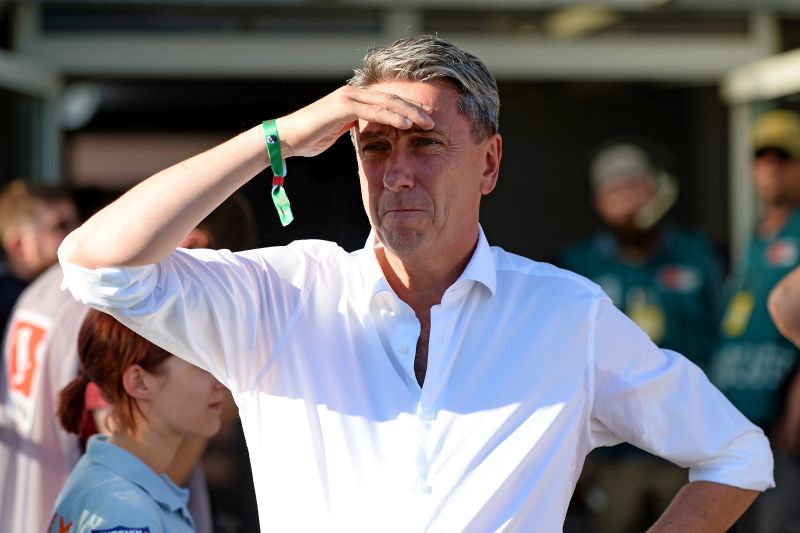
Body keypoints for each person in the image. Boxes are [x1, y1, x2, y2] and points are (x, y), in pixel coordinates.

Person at [58, 35, 772, 532]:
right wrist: (281, 137)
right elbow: (95, 264)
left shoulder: (564, 312)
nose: (397, 172)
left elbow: (737, 454)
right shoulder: (287, 293)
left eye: (426, 143)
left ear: (489, 163)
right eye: (375, 146)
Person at [0, 192, 258, 533]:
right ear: (194, 244)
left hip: (34, 506)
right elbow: (135, 446)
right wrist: (220, 406)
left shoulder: (53, 284)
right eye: (204, 360)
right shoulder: (128, 303)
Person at [560, 141, 724, 532]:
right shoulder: (577, 265)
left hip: (688, 444)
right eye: (615, 190)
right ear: (598, 201)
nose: (628, 200)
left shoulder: (699, 254)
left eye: (636, 186)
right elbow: (564, 361)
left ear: (658, 189)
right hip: (614, 452)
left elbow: (727, 339)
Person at [48, 309, 225, 533]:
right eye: (202, 366)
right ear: (139, 382)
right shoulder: (126, 513)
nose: (222, 382)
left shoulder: (108, 482)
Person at [709, 108, 800, 532]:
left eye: (784, 158)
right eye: (762, 158)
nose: (771, 168)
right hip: (742, 416)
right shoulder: (755, 235)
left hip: (784, 422)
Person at [0, 180, 79, 336]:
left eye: (77, 221)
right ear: (19, 246)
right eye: (60, 226)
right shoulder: (7, 307)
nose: (77, 232)